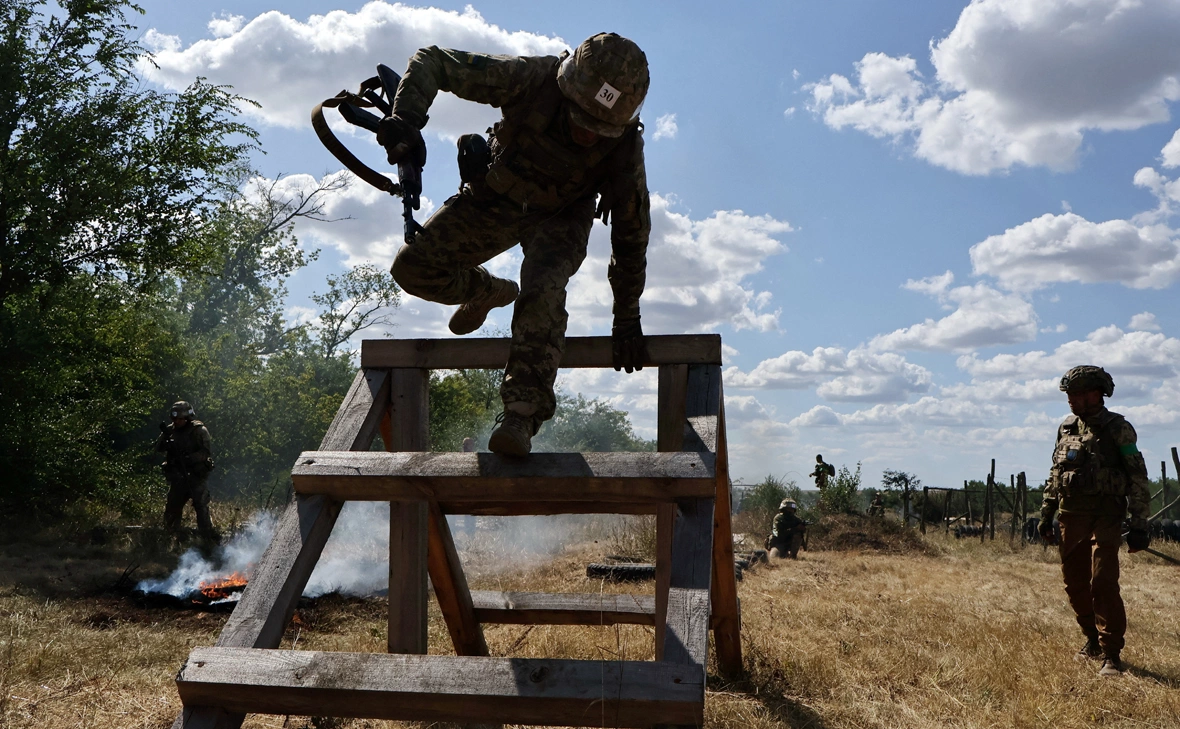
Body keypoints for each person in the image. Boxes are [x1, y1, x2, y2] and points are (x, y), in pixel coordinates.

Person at [379, 33, 651, 457]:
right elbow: (435, 61)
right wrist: (407, 119)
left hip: (562, 217)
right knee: (412, 269)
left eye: (599, 128)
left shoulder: (624, 148)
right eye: (580, 119)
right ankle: (489, 290)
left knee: (544, 290)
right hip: (499, 194)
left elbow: (631, 234)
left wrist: (627, 314)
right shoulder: (531, 79)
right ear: (567, 88)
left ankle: (520, 416)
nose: (586, 134)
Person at [1039, 366, 1152, 677]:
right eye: (1069, 395)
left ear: (1097, 393)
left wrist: (1140, 524)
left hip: (1106, 515)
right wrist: (1046, 513)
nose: (1071, 400)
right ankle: (1092, 639)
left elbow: (1137, 477)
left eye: (1077, 393)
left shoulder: (1118, 428)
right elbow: (1055, 474)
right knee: (1075, 584)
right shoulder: (1066, 428)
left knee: (1103, 582)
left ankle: (1111, 653)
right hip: (1071, 515)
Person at [155, 401, 217, 546]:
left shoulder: (199, 431)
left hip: (195, 476)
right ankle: (170, 540)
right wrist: (166, 443)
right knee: (172, 508)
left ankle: (207, 540)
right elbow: (157, 448)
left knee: (201, 506)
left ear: (187, 418)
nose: (176, 421)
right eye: (174, 418)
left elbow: (205, 452)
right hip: (178, 477)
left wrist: (188, 458)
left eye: (180, 418)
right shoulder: (170, 431)